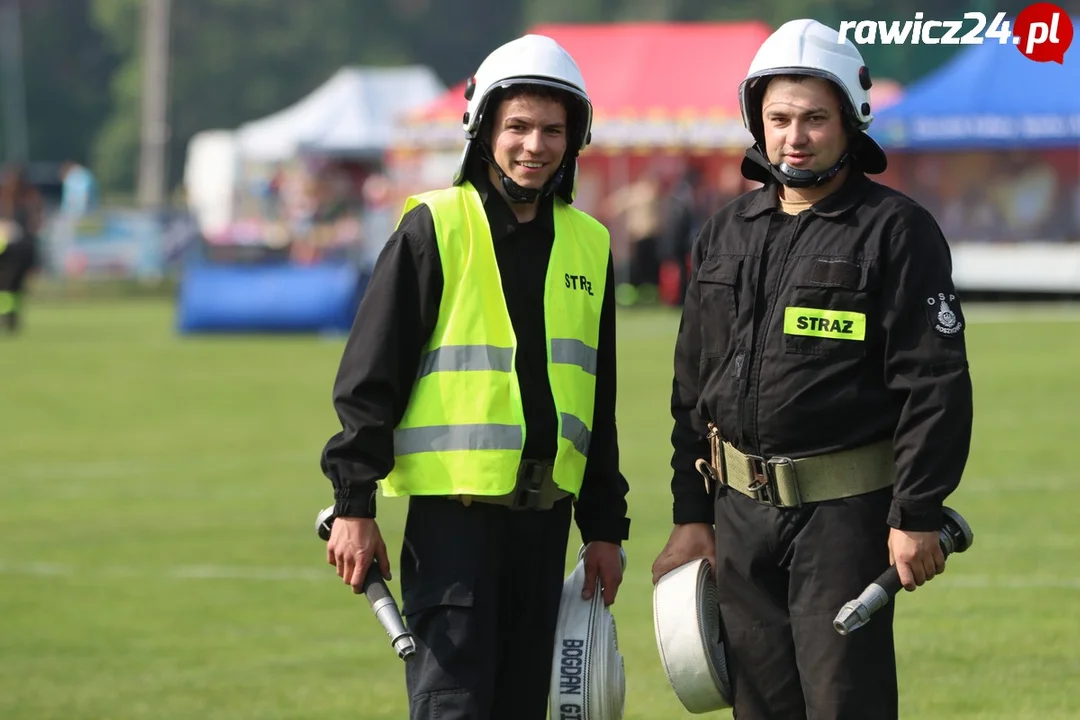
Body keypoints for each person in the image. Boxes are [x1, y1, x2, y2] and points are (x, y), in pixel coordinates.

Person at [650, 19, 973, 720]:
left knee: (842, 707)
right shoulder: (726, 231)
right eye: (779, 118)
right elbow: (690, 391)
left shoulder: (897, 231)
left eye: (814, 119)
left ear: (851, 122)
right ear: (756, 123)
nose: (795, 135)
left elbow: (934, 384)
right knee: (758, 710)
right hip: (737, 520)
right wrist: (690, 516)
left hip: (842, 522)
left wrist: (915, 513)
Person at [319, 34, 630, 720]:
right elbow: (372, 375)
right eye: (516, 126)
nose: (534, 145)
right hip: (452, 533)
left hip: (546, 530)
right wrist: (354, 503)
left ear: (574, 139)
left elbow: (595, 401)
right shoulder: (434, 226)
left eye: (553, 130)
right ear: (482, 128)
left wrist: (604, 527)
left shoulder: (592, 242)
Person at [0, 165, 43, 334]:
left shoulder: (16, 198)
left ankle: (9, 317)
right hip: (14, 249)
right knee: (12, 287)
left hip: (12, 250)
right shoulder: (26, 198)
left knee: (9, 287)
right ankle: (10, 318)